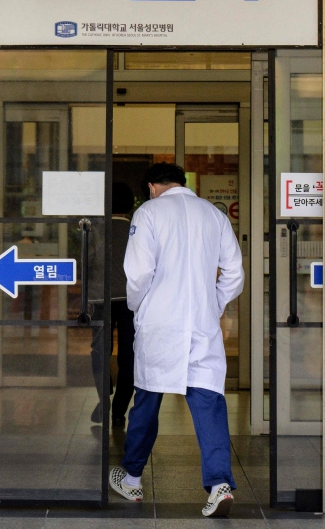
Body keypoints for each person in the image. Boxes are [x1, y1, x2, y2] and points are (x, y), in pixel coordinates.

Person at [109, 163, 244, 518]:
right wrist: (212, 304)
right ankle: (219, 485)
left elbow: (139, 273)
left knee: (147, 400)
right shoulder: (213, 215)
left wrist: (139, 306)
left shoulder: (149, 212)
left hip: (160, 322)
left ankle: (132, 478)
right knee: (208, 401)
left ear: (152, 186)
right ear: (181, 183)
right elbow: (234, 273)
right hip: (201, 323)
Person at [89, 181, 136, 427]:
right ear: (130, 205)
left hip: (100, 299)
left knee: (100, 351)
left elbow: (86, 262)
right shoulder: (137, 230)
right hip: (131, 300)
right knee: (129, 355)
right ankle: (119, 411)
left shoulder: (95, 231)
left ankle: (103, 398)